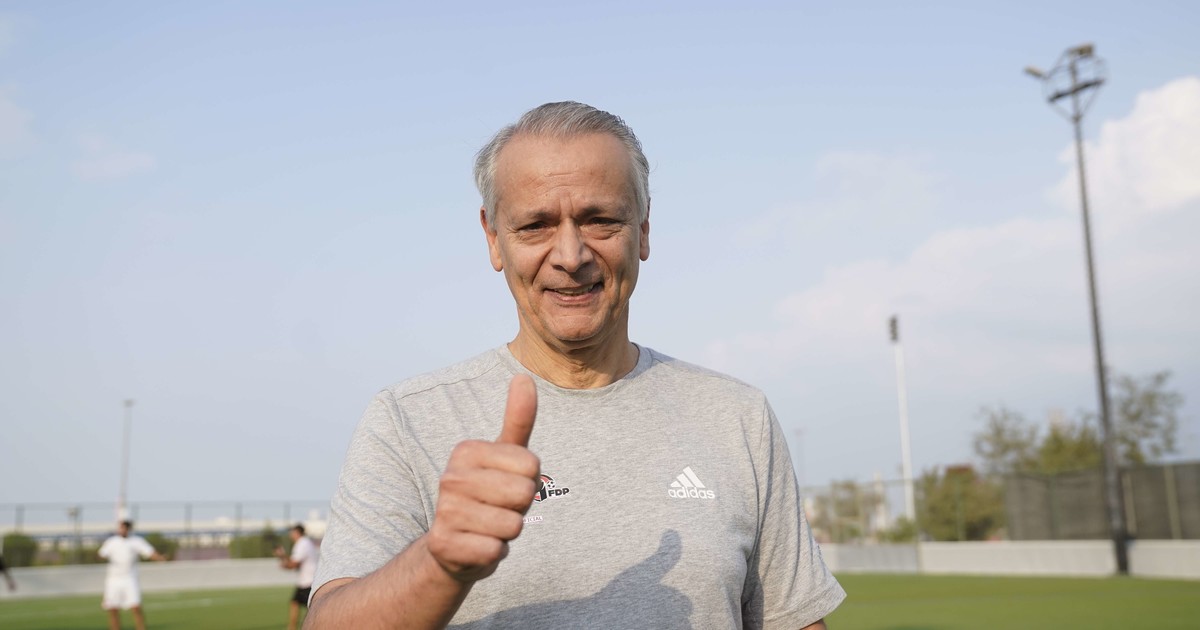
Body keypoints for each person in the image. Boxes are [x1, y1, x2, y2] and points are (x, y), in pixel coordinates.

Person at [307, 101, 845, 629]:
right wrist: (439, 562)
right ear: (493, 238)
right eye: (535, 225)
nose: (571, 255)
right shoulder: (409, 420)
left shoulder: (737, 417)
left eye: (600, 220)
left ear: (644, 229)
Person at [98, 520, 167, 630]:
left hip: (130, 579)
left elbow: (149, 552)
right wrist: (100, 557)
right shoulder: (112, 542)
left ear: (128, 529)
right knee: (113, 609)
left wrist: (159, 558)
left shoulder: (136, 541)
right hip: (113, 580)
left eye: (124, 528)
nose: (121, 530)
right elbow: (102, 554)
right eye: (120, 528)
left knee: (136, 607)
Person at [275, 523, 319, 630]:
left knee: (311, 608)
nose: (290, 535)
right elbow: (294, 562)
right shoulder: (304, 543)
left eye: (292, 532)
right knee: (295, 603)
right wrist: (283, 556)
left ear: (297, 533)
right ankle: (292, 627)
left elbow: (293, 564)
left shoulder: (302, 544)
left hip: (308, 581)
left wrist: (284, 562)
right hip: (306, 581)